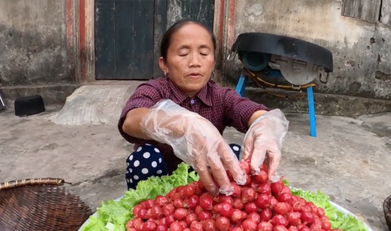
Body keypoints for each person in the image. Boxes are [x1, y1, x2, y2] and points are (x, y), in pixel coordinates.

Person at [117, 19, 290, 196]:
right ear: (164, 64)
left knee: (234, 155)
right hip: (157, 181)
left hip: (204, 185)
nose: (195, 62)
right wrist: (183, 123)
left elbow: (249, 111)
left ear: (213, 63)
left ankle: (225, 212)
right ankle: (144, 214)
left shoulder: (220, 96)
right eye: (183, 54)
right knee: (144, 157)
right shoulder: (154, 90)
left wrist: (266, 124)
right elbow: (131, 120)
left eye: (204, 53)